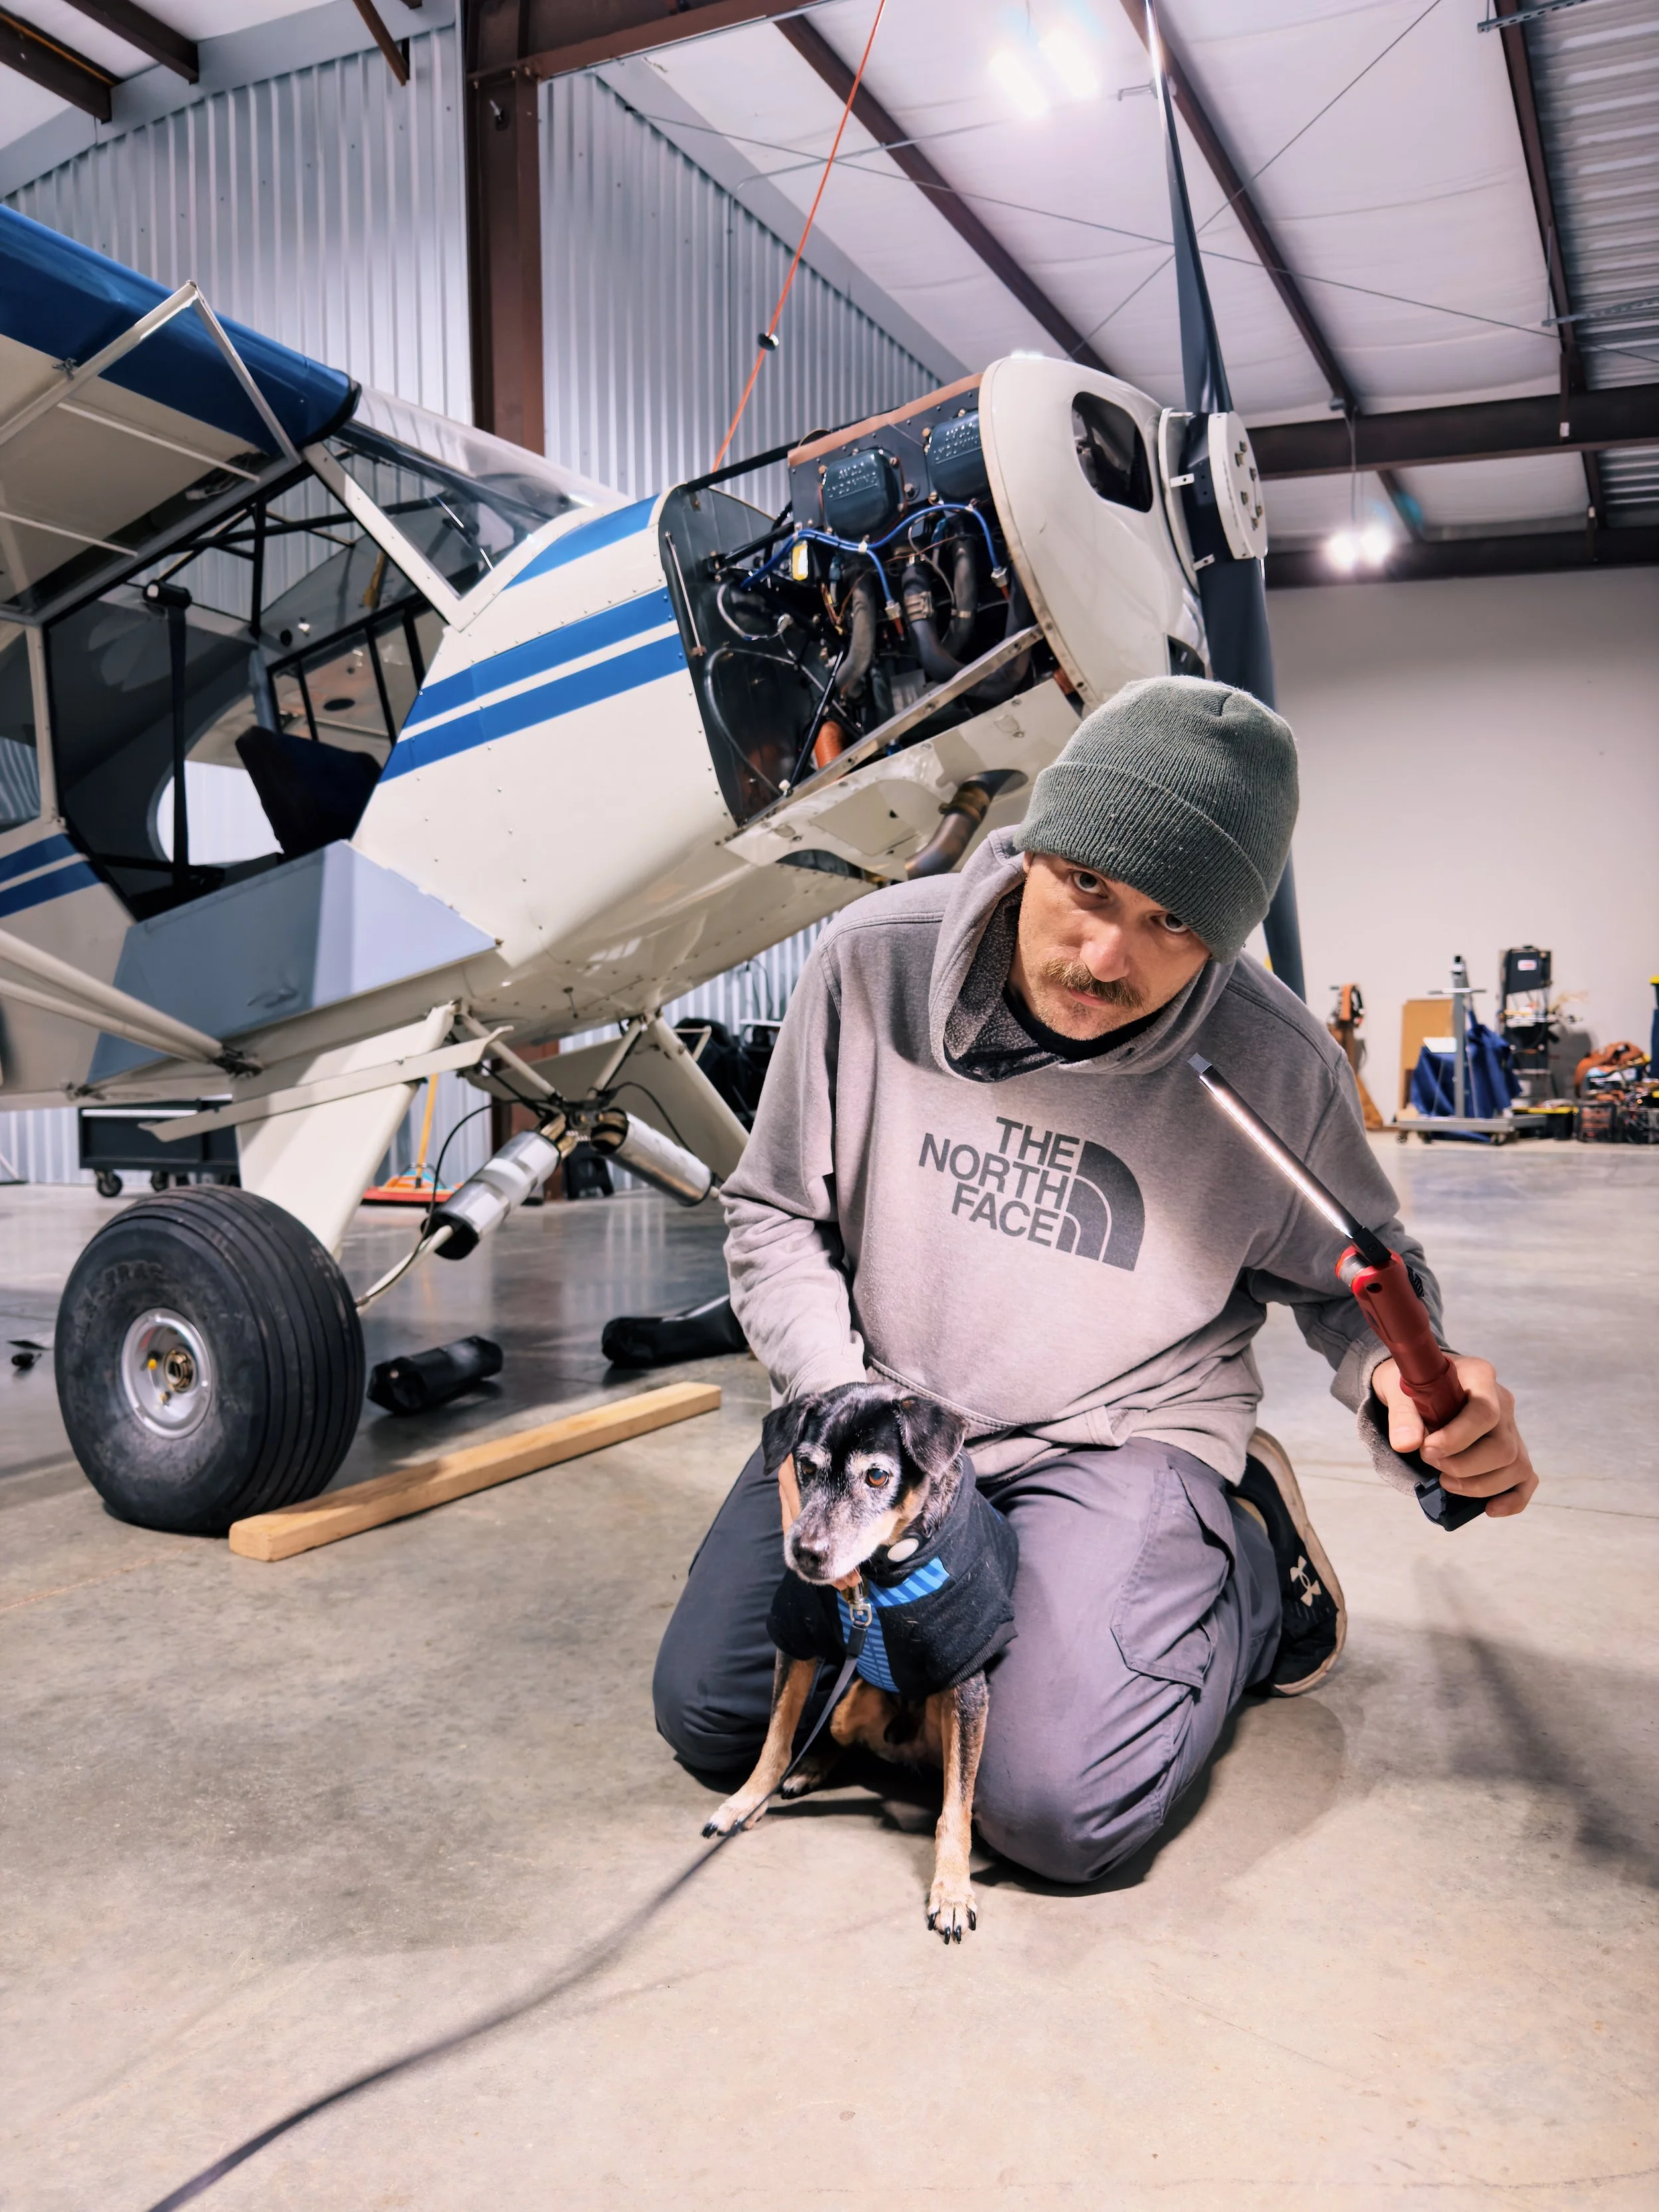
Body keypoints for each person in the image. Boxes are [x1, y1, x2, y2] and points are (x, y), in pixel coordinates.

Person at [653, 677, 1538, 1883]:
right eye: (1088, 888)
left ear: (1223, 942)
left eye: (1174, 924)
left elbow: (1359, 1278)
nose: (1107, 955)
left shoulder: (1273, 1066)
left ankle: (1249, 1574)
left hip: (1114, 1433)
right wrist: (845, 1413)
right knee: (714, 1719)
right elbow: (773, 1215)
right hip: (895, 1417)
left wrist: (1406, 1383)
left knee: (1056, 1814)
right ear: (1037, 851)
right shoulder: (872, 969)